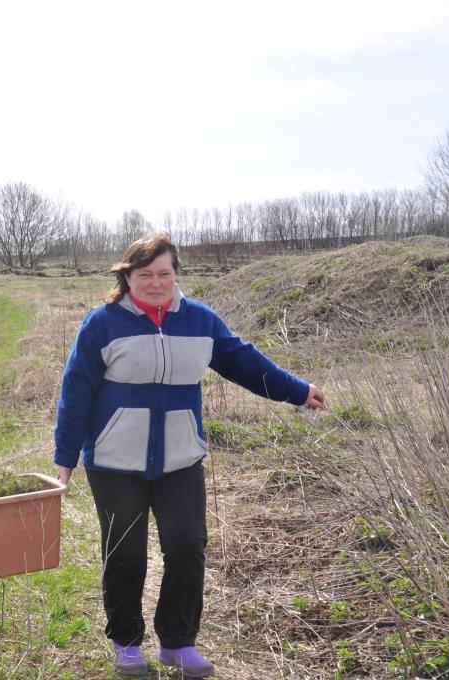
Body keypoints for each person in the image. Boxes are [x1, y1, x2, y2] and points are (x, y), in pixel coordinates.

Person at [53, 233, 324, 678]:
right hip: (114, 462)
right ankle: (126, 643)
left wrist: (298, 391)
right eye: (145, 275)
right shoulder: (102, 324)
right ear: (127, 277)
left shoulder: (199, 321)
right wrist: (65, 458)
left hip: (180, 460)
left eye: (164, 274)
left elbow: (245, 363)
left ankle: (177, 643)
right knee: (126, 554)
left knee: (187, 546)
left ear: (175, 274)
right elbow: (75, 391)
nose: (156, 283)